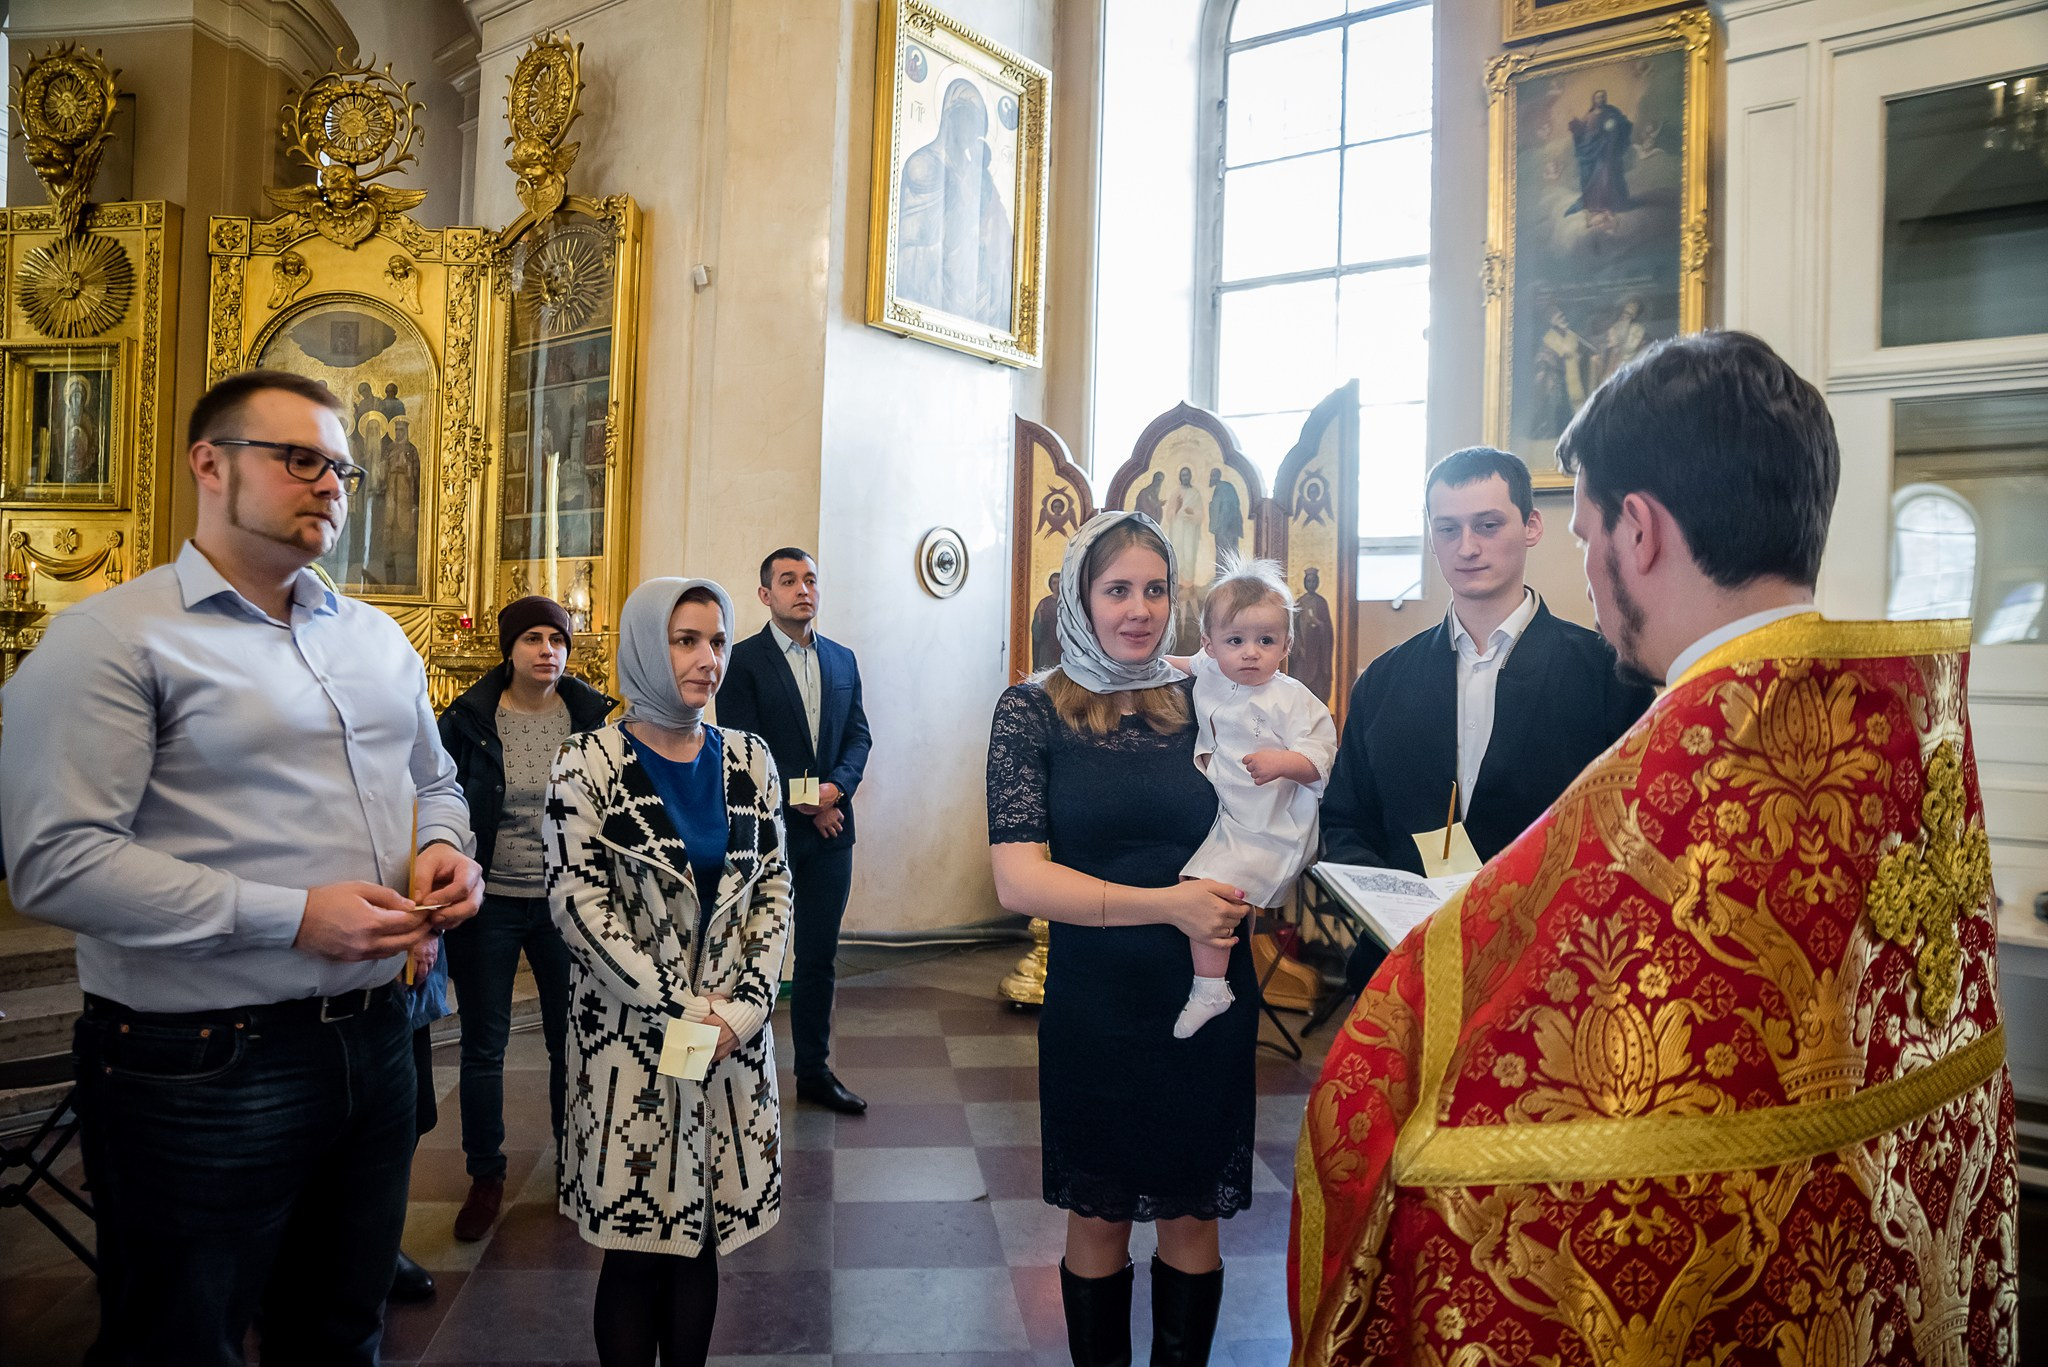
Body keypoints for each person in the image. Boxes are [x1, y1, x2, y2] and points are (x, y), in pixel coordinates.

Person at [1289, 331, 2018, 1365]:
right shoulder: (1906, 731)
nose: (1588, 568)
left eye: (1583, 531)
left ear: (1635, 530)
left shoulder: (1662, 769)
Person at [0, 368, 483, 1365]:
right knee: (182, 1341)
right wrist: (292, 915)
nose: (331, 483)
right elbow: (53, 863)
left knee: (341, 1327)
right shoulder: (111, 639)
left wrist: (443, 848)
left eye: (341, 465)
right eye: (299, 457)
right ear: (208, 462)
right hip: (197, 1059)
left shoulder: (376, 638)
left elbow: (434, 780)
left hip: (375, 1035)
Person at [986, 510, 1254, 1367]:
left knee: (1191, 1213)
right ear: (1079, 597)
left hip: (1206, 996)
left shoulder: (1207, 695)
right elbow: (1018, 879)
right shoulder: (1032, 709)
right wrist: (1168, 905)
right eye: (1116, 590)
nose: (1138, 609)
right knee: (1098, 1217)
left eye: (1156, 588)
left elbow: (1279, 789)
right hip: (1098, 999)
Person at [547, 577, 791, 1367]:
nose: (707, 659)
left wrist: (743, 1011)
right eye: (686, 640)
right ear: (649, 645)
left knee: (701, 1241)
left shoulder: (751, 757)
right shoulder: (587, 763)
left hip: (727, 1047)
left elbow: (776, 891)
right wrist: (680, 1007)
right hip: (632, 1046)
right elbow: (578, 904)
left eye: (718, 641)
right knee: (637, 1243)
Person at [1321, 446, 1653, 984]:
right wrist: (1392, 908)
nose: (1467, 547)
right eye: (1447, 529)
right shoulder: (1383, 682)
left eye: (1488, 524)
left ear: (1531, 526)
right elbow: (1345, 821)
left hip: (1551, 968)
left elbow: (1630, 832)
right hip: (1405, 963)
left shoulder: (1608, 676)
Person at [436, 595, 616, 1241]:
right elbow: (441, 803)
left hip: (565, 901)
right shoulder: (468, 721)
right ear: (509, 649)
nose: (548, 649)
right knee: (484, 1045)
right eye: (534, 638)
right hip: (489, 903)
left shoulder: (591, 719)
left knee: (569, 1037)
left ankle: (574, 1162)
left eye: (557, 638)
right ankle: (486, 1175)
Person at [716, 548, 874, 1115]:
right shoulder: (741, 661)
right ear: (766, 595)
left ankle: (814, 1071)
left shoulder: (842, 660)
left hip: (833, 835)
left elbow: (859, 737)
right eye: (788, 581)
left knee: (818, 958)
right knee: (750, 953)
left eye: (809, 579)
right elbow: (744, 748)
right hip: (767, 835)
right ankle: (737, 1069)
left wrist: (837, 791)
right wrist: (812, 803)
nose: (802, 589)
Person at [1172, 558, 1337, 1038]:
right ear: (1210, 644)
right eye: (1236, 641)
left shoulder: (1294, 699)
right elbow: (1179, 665)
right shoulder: (1210, 670)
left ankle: (1210, 988)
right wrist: (1142, 666)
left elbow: (1321, 758)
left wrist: (1282, 763)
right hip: (1229, 815)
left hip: (1269, 823)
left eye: (1266, 641)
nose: (1250, 654)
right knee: (1210, 892)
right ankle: (1215, 978)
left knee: (1205, 889)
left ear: (1286, 645)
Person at [1205, 468, 1243, 570]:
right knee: (1223, 552)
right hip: (1224, 528)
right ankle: (1222, 576)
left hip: (1227, 529)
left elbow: (1227, 507)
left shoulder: (1224, 487)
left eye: (1213, 476)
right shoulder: (1220, 487)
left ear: (1217, 476)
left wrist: (1221, 525)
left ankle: (1224, 576)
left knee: (1226, 553)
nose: (1211, 479)